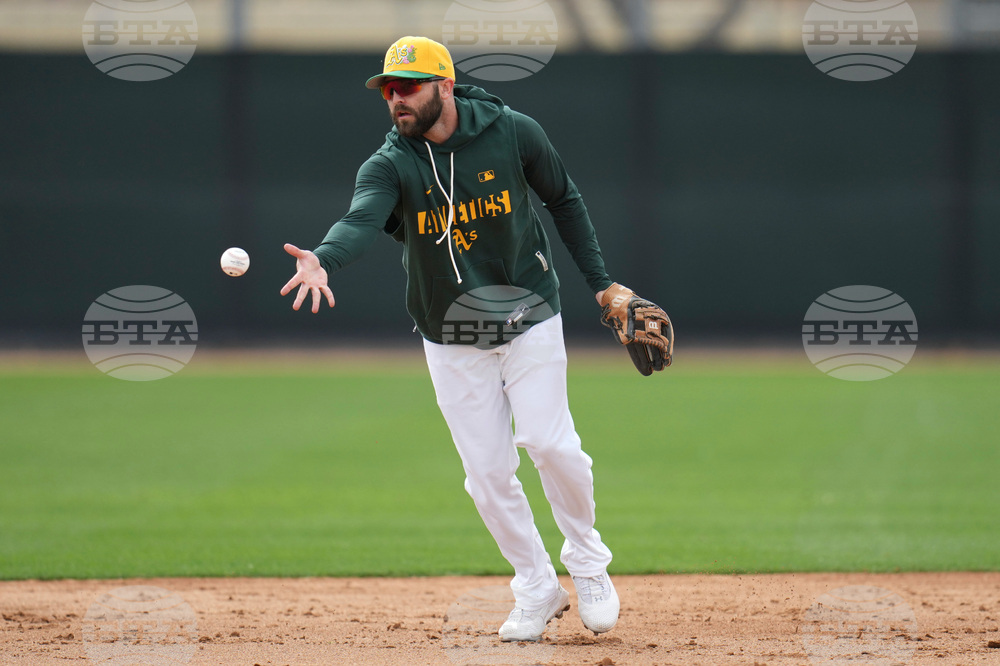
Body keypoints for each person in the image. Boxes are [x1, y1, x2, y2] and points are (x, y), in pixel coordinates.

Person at [280, 36, 620, 642]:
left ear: (445, 85)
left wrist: (601, 286)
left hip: (528, 311)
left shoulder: (514, 132)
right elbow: (361, 219)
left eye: (407, 86)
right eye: (387, 90)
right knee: (487, 473)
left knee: (550, 444)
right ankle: (536, 586)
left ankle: (588, 561)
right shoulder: (390, 163)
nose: (395, 99)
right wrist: (324, 259)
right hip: (451, 332)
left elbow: (564, 200)